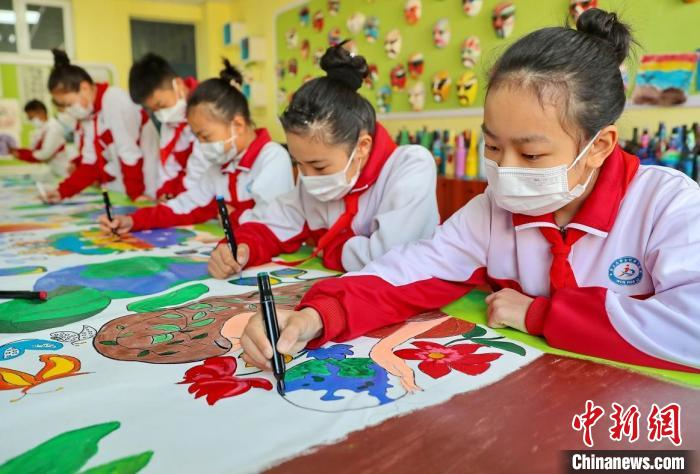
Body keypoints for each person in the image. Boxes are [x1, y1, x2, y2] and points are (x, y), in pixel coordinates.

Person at [238, 10, 700, 374]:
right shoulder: (493, 212)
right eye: (494, 146)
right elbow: (410, 269)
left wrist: (542, 316)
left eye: (532, 155)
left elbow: (691, 329)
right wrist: (315, 315)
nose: (505, 170)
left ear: (598, 146)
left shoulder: (665, 204)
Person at [207, 43, 439, 279]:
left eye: (319, 166)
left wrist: (331, 249)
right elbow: (273, 223)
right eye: (298, 163)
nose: (308, 178)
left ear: (361, 147)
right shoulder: (312, 177)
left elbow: (390, 257)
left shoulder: (410, 166)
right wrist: (242, 248)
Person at [98, 59, 294, 234]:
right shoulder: (220, 166)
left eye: (206, 137)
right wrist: (133, 220)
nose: (202, 146)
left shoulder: (272, 158)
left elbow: (273, 223)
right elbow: (186, 204)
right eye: (197, 138)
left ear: (238, 125)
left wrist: (232, 217)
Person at [42, 49, 159, 203]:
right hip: (124, 190)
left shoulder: (115, 101)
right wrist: (62, 192)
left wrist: (136, 195)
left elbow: (130, 154)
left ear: (84, 88)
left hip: (146, 187)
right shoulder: (91, 114)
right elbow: (90, 162)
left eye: (69, 104)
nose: (69, 110)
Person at [129, 53, 205, 201]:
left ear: (178, 84)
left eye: (161, 105)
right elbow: (167, 168)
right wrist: (164, 194)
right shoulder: (170, 120)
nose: (160, 114)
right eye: (153, 110)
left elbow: (201, 170)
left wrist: (175, 195)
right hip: (184, 202)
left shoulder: (208, 107)